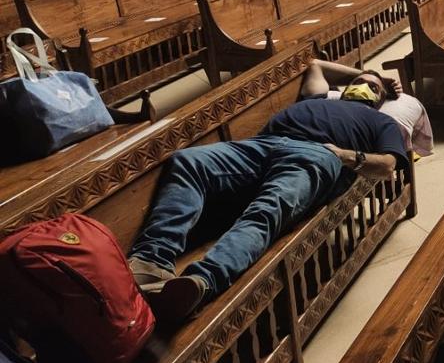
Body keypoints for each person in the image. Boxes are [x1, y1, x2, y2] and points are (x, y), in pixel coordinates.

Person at [126, 61, 409, 323]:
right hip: (261, 145)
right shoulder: (317, 98)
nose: (363, 86)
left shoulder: (381, 122)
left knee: (268, 210)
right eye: (359, 82)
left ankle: (201, 283)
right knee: (187, 161)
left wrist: (346, 156)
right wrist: (374, 75)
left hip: (316, 155)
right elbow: (316, 65)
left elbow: (387, 165)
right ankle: (152, 260)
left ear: (379, 100)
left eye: (373, 88)